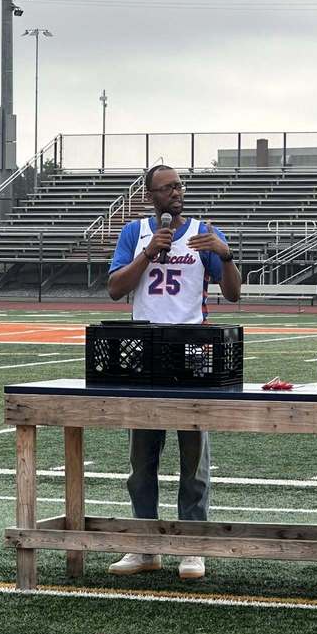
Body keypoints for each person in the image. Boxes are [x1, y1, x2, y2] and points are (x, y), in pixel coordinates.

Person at [106, 164, 241, 579]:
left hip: (193, 347)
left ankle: (191, 543)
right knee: (141, 456)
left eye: (179, 186)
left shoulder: (204, 232)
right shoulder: (136, 233)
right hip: (144, 348)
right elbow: (114, 289)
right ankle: (146, 544)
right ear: (151, 196)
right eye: (166, 188)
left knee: (193, 454)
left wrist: (226, 254)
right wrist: (149, 252)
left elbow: (234, 295)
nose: (175, 193)